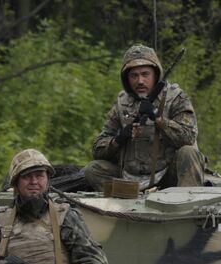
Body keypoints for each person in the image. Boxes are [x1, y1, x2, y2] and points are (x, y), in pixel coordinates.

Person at [85, 44, 207, 191]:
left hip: (167, 175)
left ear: (155, 74)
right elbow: (98, 149)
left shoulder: (175, 98)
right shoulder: (122, 103)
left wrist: (158, 118)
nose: (140, 81)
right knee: (93, 170)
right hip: (130, 177)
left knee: (189, 152)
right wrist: (118, 139)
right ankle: (127, 204)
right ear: (127, 79)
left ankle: (187, 206)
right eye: (134, 76)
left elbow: (188, 138)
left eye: (145, 74)